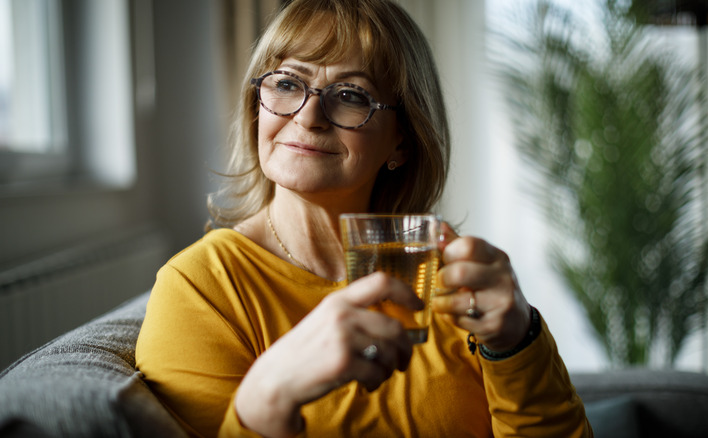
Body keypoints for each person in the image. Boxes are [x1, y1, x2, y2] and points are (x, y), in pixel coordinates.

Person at [135, 0, 593, 436]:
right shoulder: (199, 289)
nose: (309, 116)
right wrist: (269, 398)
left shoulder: (454, 278)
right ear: (257, 104)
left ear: (402, 142)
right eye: (288, 83)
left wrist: (516, 340)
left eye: (351, 95)